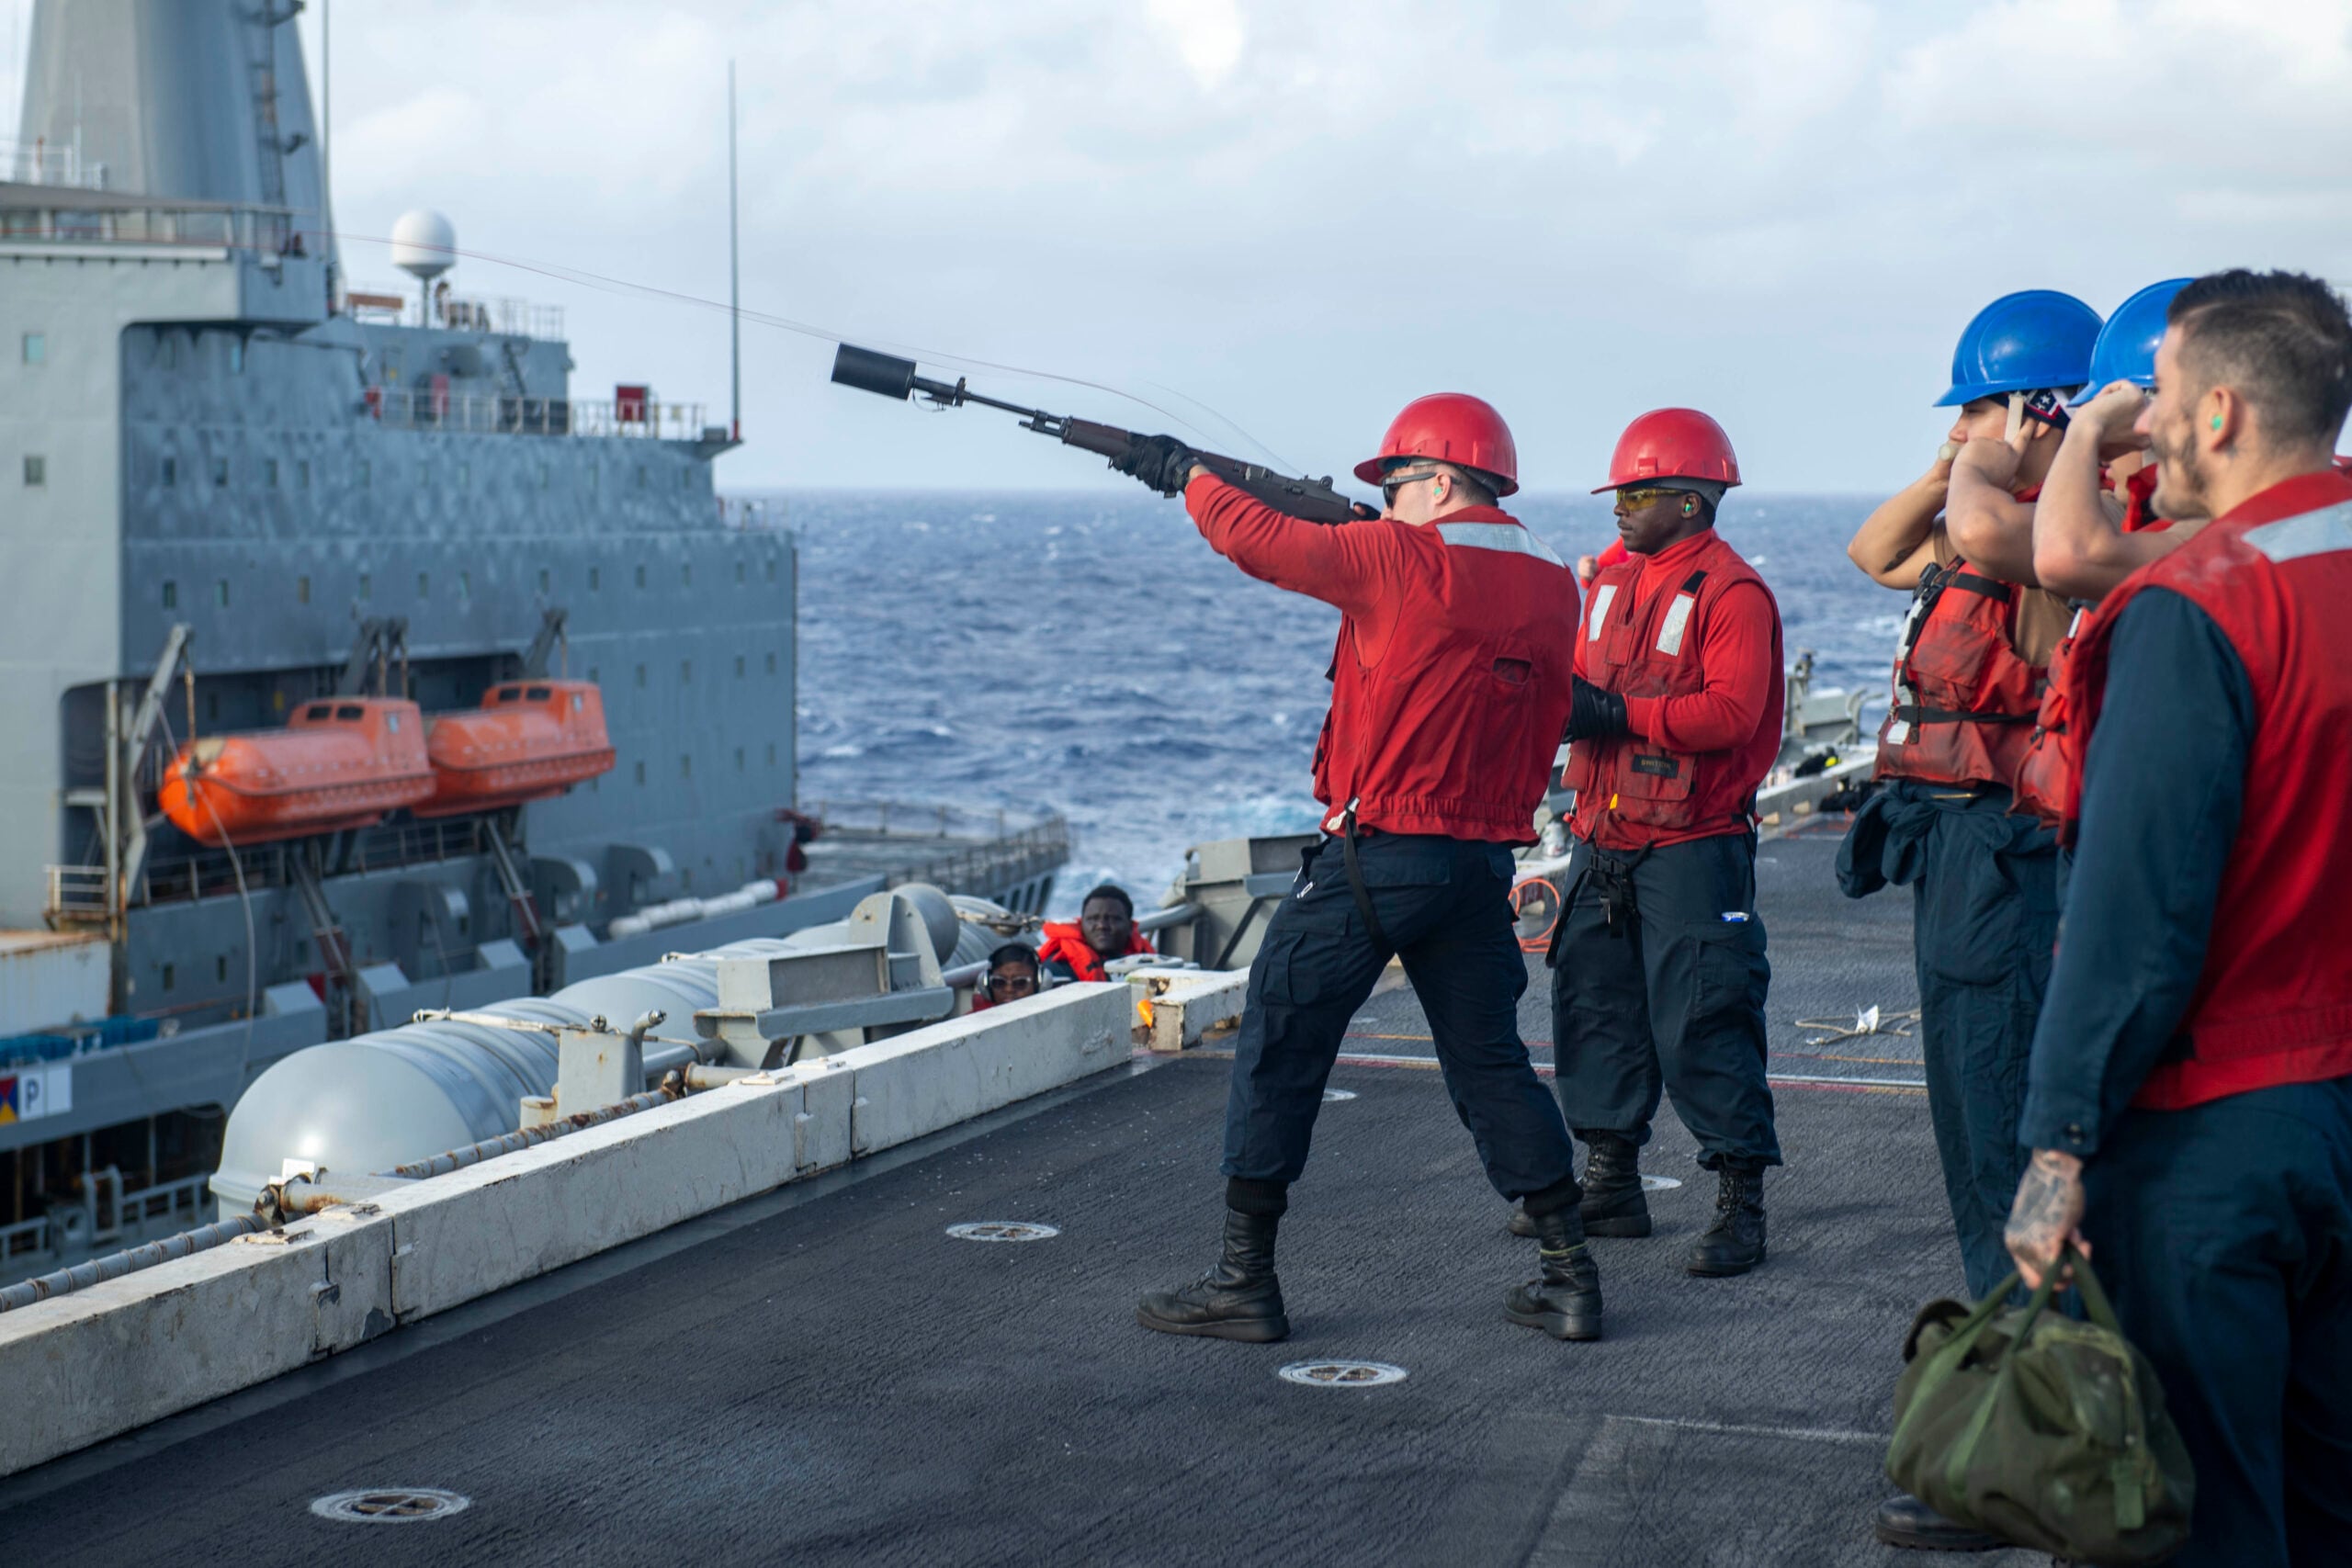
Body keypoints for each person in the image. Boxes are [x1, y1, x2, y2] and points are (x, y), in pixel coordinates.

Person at [1110, 395, 1601, 1345]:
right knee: (1492, 1063)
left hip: (1380, 856)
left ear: (1443, 480)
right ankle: (1568, 1273)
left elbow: (1262, 543)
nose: (1384, 501)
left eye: (1395, 484)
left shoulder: (1406, 559)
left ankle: (1244, 1280)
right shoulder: (1552, 581)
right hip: (1475, 865)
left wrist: (1188, 478)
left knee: (1280, 1042)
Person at [2004, 268, 2352, 1568]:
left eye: (2155, 405)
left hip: (2220, 1131)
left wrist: (2055, 1145)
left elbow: (2136, 917)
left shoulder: (2202, 602)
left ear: (2215, 415)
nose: (2142, 431)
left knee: (2203, 1509)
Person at [1835, 288, 2102, 1554]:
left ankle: (2030, 1448)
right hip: (1964, 863)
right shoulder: (1985, 509)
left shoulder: (2051, 540)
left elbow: (1994, 541)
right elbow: (1875, 552)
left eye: (1995, 406)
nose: (1977, 434)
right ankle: (2038, 1423)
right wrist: (1960, 451)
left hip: (2006, 867)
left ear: (2052, 414)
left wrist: (2000, 461)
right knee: (1985, 1143)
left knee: (2002, 1147)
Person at [1526, 410, 1785, 1280]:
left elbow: (1733, 714)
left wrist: (1617, 713)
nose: (1620, 507)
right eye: (1617, 493)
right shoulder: (1608, 583)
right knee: (1595, 1008)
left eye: (1636, 493)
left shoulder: (1732, 594)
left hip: (1692, 843)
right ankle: (1609, 1182)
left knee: (1704, 1018)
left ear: (1691, 498)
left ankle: (1741, 1201)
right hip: (1603, 837)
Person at [1035, 884, 1154, 983]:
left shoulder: (1149, 962)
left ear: (1130, 926)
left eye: (1112, 918)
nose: (1101, 925)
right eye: (1093, 919)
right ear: (1081, 924)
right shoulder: (1057, 969)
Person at [973, 943, 1043, 1010]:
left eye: (1020, 983)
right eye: (999, 982)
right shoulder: (972, 1020)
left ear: (1038, 983)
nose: (1008, 990)